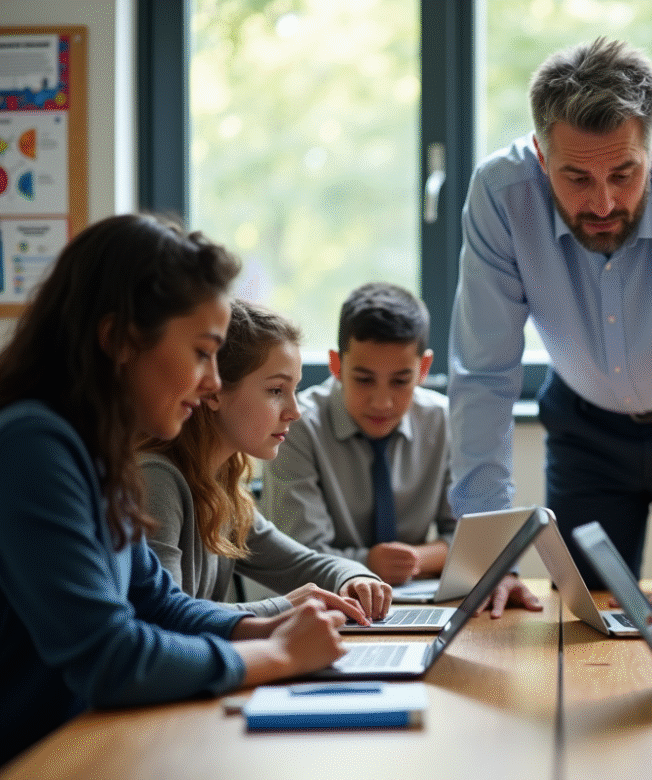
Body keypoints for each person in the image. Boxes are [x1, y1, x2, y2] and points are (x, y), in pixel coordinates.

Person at [0, 214, 346, 765]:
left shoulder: (99, 449)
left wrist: (261, 628)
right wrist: (278, 655)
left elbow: (156, 602)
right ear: (119, 341)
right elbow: (110, 657)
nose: (212, 382)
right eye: (202, 352)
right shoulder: (33, 446)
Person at [448, 37, 652, 611]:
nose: (602, 203)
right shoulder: (500, 195)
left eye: (624, 174)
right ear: (541, 156)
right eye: (576, 178)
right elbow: (483, 376)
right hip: (585, 429)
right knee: (580, 624)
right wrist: (489, 555)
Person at [140, 299, 393, 624]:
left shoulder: (221, 488)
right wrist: (285, 606)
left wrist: (355, 578)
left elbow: (302, 564)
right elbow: (162, 616)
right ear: (213, 391)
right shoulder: (157, 480)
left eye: (294, 389)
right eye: (276, 390)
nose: (295, 411)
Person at [260, 283, 477, 597]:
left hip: (417, 598)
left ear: (423, 369)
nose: (382, 403)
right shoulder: (295, 427)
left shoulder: (443, 421)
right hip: (322, 602)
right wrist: (368, 563)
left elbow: (472, 538)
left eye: (400, 381)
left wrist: (414, 560)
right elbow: (299, 555)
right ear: (336, 365)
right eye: (363, 379)